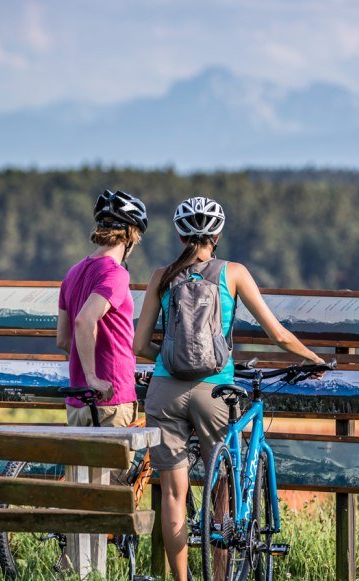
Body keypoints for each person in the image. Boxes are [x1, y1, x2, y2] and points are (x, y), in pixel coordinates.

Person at [133, 195, 325, 580]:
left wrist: (166, 358)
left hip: (165, 390)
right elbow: (278, 334)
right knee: (221, 485)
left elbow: (139, 345)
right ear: (216, 236)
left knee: (173, 492)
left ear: (179, 234)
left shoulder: (161, 276)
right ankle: (219, 575)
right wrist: (315, 360)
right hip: (215, 391)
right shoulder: (233, 273)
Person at [56, 189, 147, 428]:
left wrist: (85, 375)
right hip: (111, 400)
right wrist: (93, 377)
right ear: (130, 236)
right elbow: (84, 321)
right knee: (112, 467)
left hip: (78, 401)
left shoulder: (73, 273)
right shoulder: (115, 274)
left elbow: (64, 340)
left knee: (80, 466)